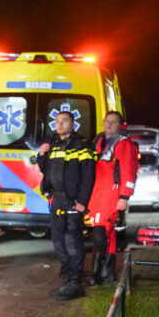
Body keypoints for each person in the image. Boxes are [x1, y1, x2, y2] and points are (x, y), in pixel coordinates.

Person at [36, 112, 95, 300]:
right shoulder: (52, 142)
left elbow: (88, 175)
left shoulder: (82, 144)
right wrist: (41, 154)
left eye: (65, 121)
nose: (60, 125)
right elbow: (45, 169)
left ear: (73, 124)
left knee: (71, 240)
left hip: (73, 201)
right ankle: (68, 277)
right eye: (57, 121)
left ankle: (75, 282)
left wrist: (82, 201)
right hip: (57, 199)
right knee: (58, 241)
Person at [87, 111, 138, 285]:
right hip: (96, 193)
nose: (109, 124)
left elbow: (129, 171)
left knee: (100, 232)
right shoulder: (98, 140)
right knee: (108, 233)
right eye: (107, 121)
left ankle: (95, 275)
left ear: (120, 125)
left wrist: (124, 196)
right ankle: (107, 273)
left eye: (113, 122)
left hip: (110, 194)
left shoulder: (124, 144)